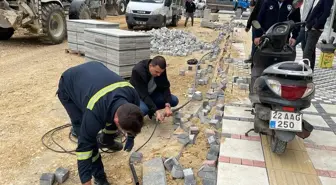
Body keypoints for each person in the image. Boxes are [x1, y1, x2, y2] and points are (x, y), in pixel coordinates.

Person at [57, 61, 144, 185]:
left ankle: (106, 141)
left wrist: (131, 137)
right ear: (117, 120)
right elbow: (84, 150)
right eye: (125, 132)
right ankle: (100, 177)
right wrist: (86, 180)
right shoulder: (94, 112)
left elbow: (132, 120)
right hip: (68, 84)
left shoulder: (133, 96)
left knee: (107, 118)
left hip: (94, 69)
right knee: (86, 136)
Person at [130, 56, 179, 122]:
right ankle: (145, 110)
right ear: (150, 66)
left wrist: (167, 105)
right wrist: (156, 111)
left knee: (173, 100)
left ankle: (151, 109)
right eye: (156, 72)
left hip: (152, 93)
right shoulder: (138, 71)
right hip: (138, 96)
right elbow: (144, 95)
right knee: (144, 110)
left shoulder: (160, 70)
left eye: (161, 73)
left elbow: (165, 87)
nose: (159, 75)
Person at [303, 0, 333, 70]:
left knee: (307, 52)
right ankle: (310, 70)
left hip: (315, 29)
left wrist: (316, 25)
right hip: (309, 26)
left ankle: (304, 72)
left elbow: (326, 13)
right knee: (310, 50)